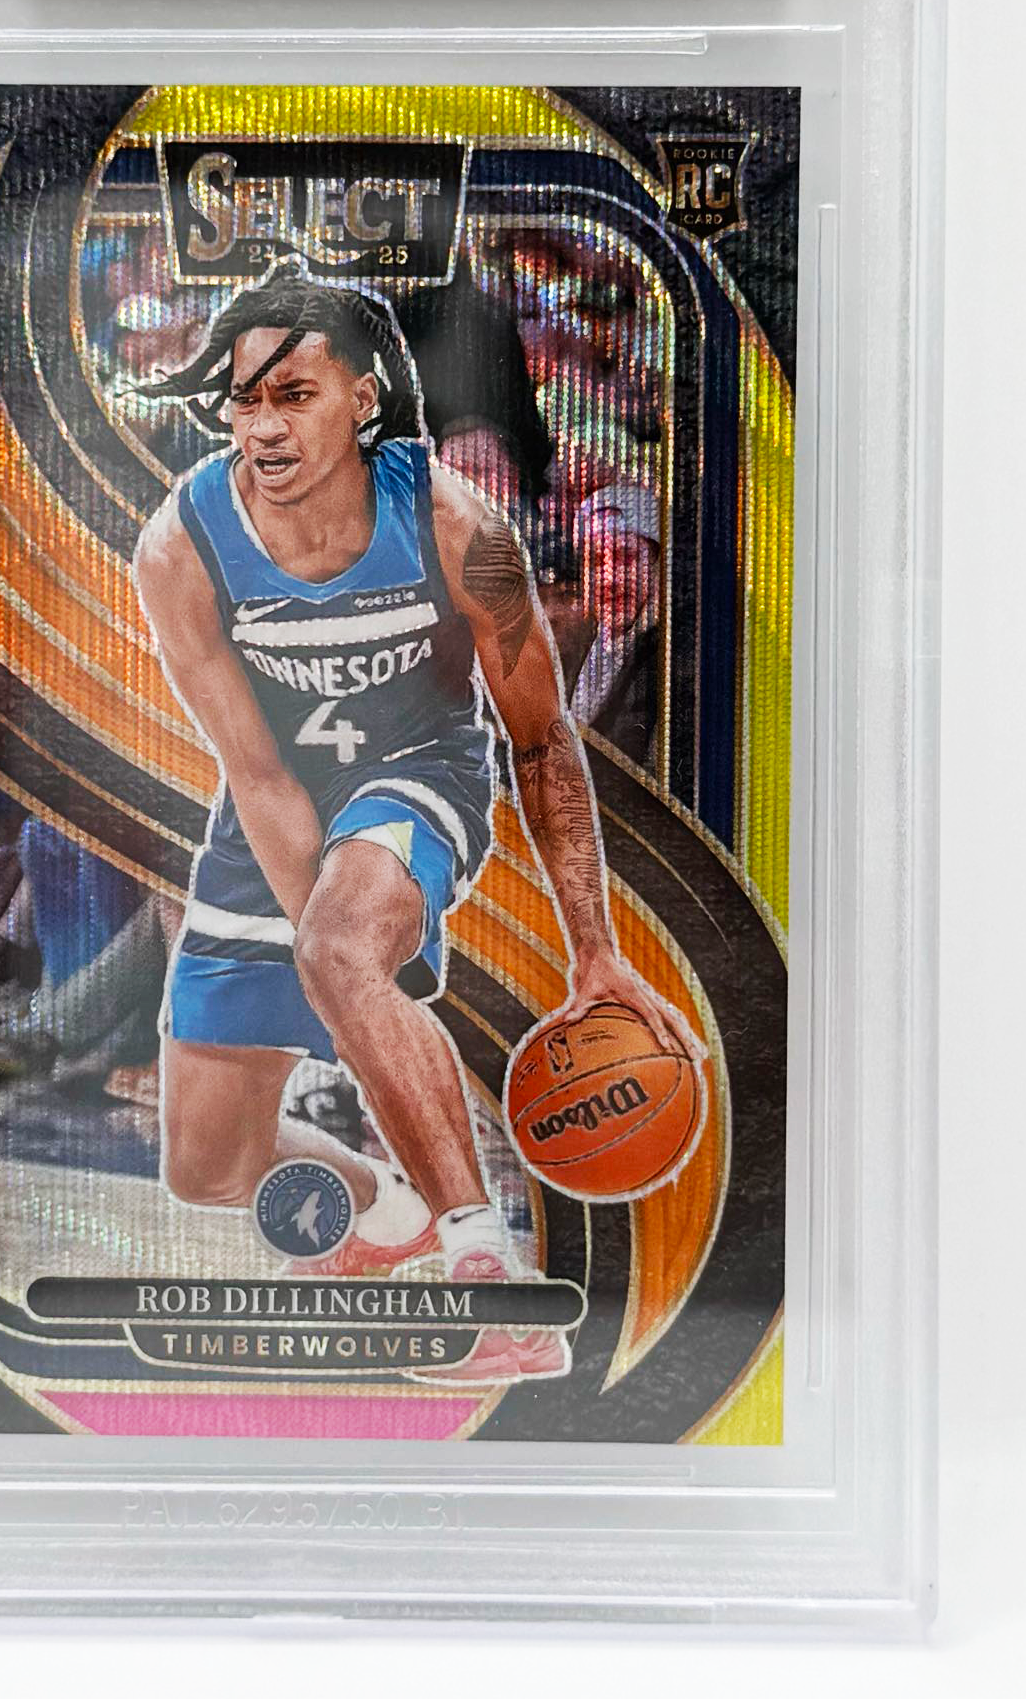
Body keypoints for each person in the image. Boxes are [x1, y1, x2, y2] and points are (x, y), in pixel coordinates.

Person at [131, 263, 696, 1384]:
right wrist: (343, 990)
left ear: (364, 398)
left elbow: (542, 738)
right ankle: (384, 1209)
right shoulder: (179, 547)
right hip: (273, 803)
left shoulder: (453, 525)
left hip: (419, 773)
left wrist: (594, 952)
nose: (264, 425)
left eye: (295, 395)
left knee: (343, 950)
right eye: (247, 400)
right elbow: (256, 772)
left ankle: (487, 1275)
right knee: (207, 1167)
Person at [567, 481, 664, 768]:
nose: (610, 579)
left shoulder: (672, 660)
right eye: (596, 561)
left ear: (657, 565)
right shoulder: (571, 650)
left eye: (626, 557)